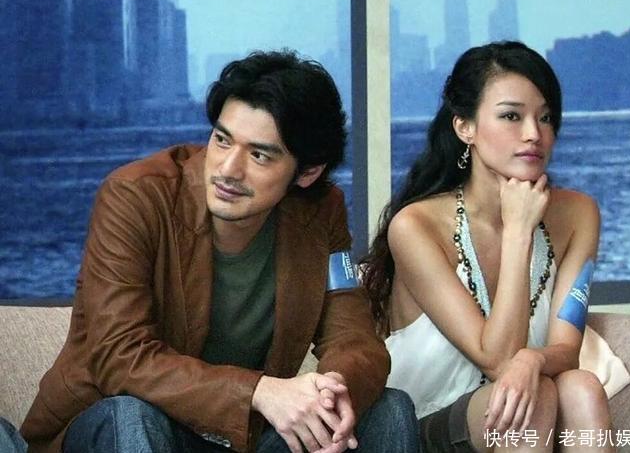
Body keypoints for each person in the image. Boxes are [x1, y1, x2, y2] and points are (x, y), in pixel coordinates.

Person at [22, 50, 419, 453]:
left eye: (259, 155)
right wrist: (258, 392)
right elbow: (119, 356)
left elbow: (353, 336)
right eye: (222, 139)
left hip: (239, 435)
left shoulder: (319, 212)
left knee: (388, 410)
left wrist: (332, 394)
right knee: (133, 414)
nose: (228, 169)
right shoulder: (135, 196)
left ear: (308, 172)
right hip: (115, 424)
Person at [360, 41, 614, 452]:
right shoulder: (415, 226)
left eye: (545, 117)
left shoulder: (579, 213)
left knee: (580, 388)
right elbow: (497, 361)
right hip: (421, 427)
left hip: (520, 406)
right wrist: (518, 231)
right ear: (465, 127)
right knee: (533, 400)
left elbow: (566, 350)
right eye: (511, 116)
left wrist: (533, 358)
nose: (534, 134)